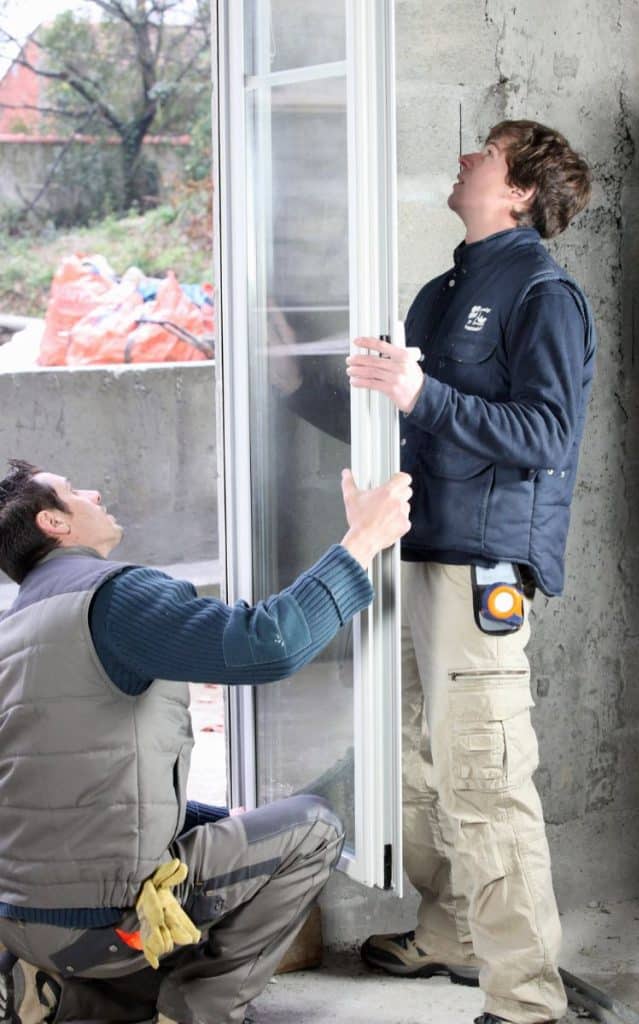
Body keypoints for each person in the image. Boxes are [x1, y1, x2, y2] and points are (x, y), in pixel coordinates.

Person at [0, 458, 411, 1024]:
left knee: (183, 849)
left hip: (21, 924)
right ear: (54, 523)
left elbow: (77, 787)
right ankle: (195, 1011)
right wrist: (362, 540)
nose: (94, 490)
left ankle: (73, 996)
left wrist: (214, 820)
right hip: (107, 923)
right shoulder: (115, 597)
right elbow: (267, 643)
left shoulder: (14, 629)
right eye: (74, 491)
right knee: (316, 830)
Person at [347, 120, 595, 1024]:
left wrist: (420, 392)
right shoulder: (443, 290)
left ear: (520, 189)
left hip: (477, 567)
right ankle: (450, 935)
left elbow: (545, 436)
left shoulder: (542, 294)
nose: (462, 158)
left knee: (485, 785)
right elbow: (416, 419)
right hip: (415, 548)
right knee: (417, 767)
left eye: (483, 153)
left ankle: (527, 1002)